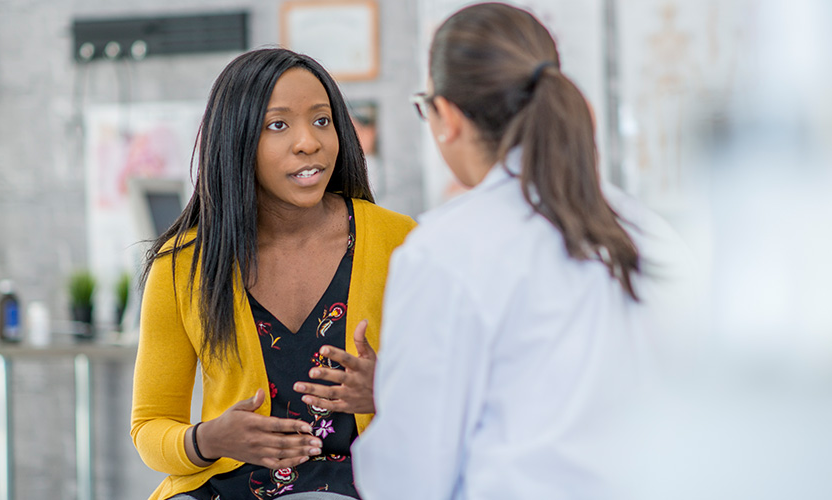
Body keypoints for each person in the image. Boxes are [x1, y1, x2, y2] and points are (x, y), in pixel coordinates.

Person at [352, 3, 692, 499]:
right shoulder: (645, 231)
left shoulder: (445, 249)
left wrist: (392, 396)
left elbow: (410, 478)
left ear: (445, 116)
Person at [131, 48, 415, 500]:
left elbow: (460, 401)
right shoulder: (182, 264)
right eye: (277, 125)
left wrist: (387, 394)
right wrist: (209, 440)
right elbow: (150, 426)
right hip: (228, 487)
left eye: (322, 120)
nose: (309, 142)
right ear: (236, 139)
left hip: (363, 483)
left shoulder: (402, 244)